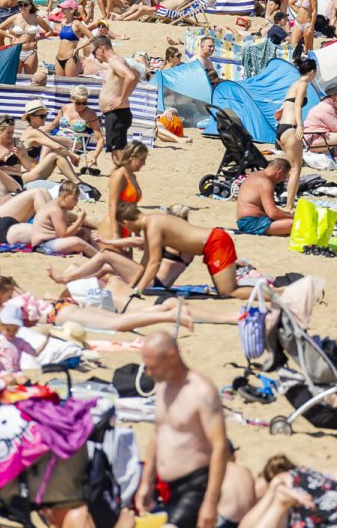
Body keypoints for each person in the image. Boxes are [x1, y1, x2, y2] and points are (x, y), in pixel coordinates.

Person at [135, 333, 230, 528]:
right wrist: (146, 482)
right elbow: (158, 433)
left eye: (153, 367)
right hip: (168, 488)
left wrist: (210, 502)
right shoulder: (162, 386)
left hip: (195, 487)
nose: (149, 373)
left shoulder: (201, 391)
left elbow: (220, 447)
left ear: (172, 356)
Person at [121, 203, 255, 300]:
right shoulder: (152, 220)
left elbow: (154, 262)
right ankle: (265, 292)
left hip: (215, 242)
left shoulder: (153, 225)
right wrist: (133, 285)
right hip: (213, 242)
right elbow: (145, 260)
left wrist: (138, 290)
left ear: (127, 222)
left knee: (228, 292)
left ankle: (267, 293)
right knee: (225, 290)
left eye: (124, 227)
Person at [94, 34, 140, 166]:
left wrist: (121, 99)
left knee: (118, 156)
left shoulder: (115, 61)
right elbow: (136, 74)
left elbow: (131, 76)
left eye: (94, 51)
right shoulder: (117, 60)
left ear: (101, 47)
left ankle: (125, 178)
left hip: (117, 114)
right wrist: (126, 95)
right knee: (118, 153)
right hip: (117, 113)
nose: (94, 56)